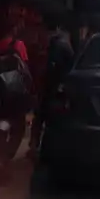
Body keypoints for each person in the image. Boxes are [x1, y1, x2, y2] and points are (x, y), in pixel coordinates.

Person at [0, 22, 33, 174]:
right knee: (18, 128)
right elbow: (25, 70)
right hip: (16, 94)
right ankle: (7, 156)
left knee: (0, 128)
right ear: (13, 30)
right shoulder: (19, 45)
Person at [29, 23, 74, 153]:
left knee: (42, 117)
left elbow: (52, 67)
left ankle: (37, 147)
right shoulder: (64, 45)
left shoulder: (57, 45)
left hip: (51, 88)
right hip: (56, 88)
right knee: (47, 118)